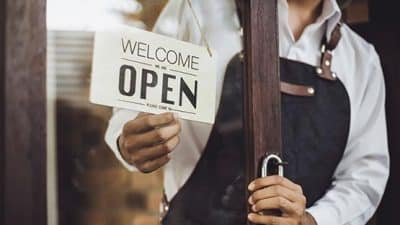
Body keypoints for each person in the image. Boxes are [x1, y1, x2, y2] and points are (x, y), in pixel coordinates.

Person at [105, 0, 390, 224]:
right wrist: (128, 140)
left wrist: (311, 220)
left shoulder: (361, 59)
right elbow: (133, 109)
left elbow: (364, 177)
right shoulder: (197, 9)